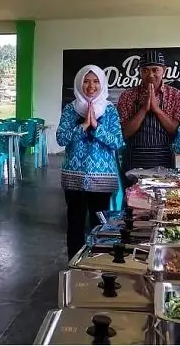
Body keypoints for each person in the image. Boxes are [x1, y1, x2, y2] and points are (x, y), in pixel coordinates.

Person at [56, 64, 124, 260]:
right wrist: (84, 126)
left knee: (99, 224)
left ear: (102, 84)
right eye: (86, 81)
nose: (91, 86)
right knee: (75, 223)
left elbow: (117, 142)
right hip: (73, 178)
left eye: (95, 82)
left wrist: (96, 127)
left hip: (102, 180)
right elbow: (61, 139)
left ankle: (98, 263)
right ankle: (75, 263)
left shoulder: (110, 110)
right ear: (79, 83)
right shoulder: (70, 109)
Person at [117, 50, 180, 170]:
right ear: (139, 72)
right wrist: (143, 109)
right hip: (133, 161)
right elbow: (125, 133)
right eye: (145, 70)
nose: (150, 75)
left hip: (165, 160)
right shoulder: (127, 96)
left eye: (155, 70)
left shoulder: (176, 96)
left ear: (164, 70)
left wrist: (157, 109)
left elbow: (177, 132)